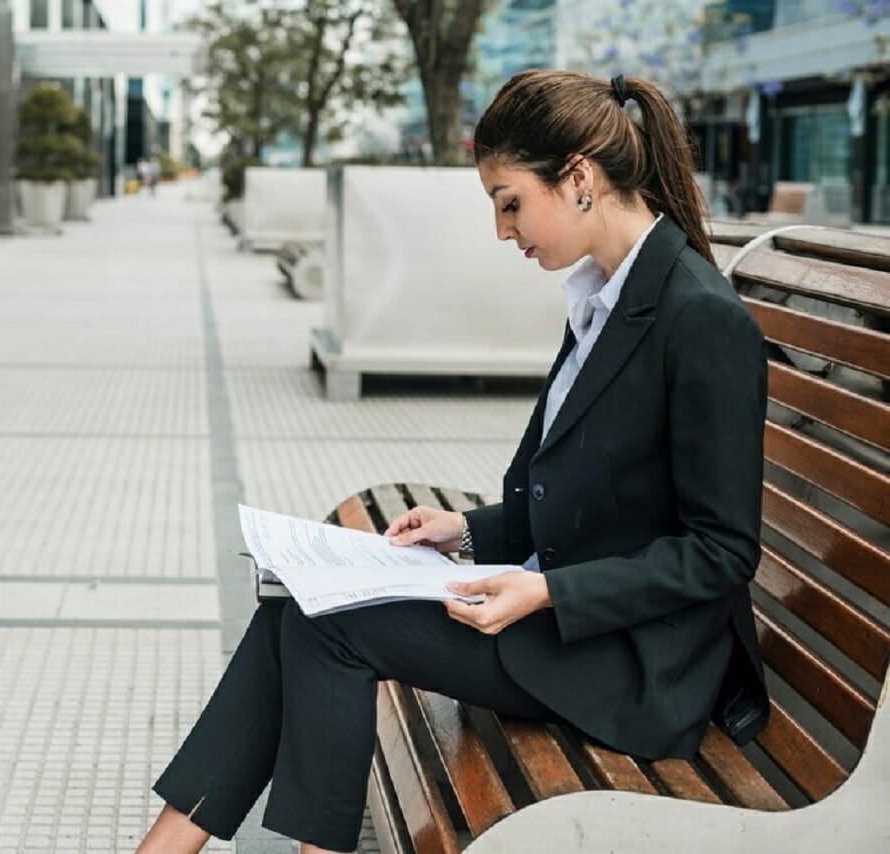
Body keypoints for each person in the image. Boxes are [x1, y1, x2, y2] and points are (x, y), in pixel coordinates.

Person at [137, 70, 769, 854]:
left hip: (628, 666)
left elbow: (722, 551)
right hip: (571, 622)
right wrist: (466, 532)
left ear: (578, 178)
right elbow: (599, 498)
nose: (503, 231)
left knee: (329, 629)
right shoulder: (606, 294)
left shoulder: (698, 317)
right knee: (298, 603)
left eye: (510, 202)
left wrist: (546, 590)